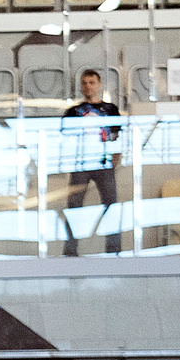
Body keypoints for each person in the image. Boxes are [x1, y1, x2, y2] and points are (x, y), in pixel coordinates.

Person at [58, 70, 123, 256]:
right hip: (81, 165)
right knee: (74, 207)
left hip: (103, 163)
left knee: (111, 206)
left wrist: (116, 156)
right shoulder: (73, 112)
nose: (88, 86)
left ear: (99, 84)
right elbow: (65, 138)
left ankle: (114, 250)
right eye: (85, 83)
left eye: (91, 82)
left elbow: (117, 134)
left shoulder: (110, 109)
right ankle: (70, 251)